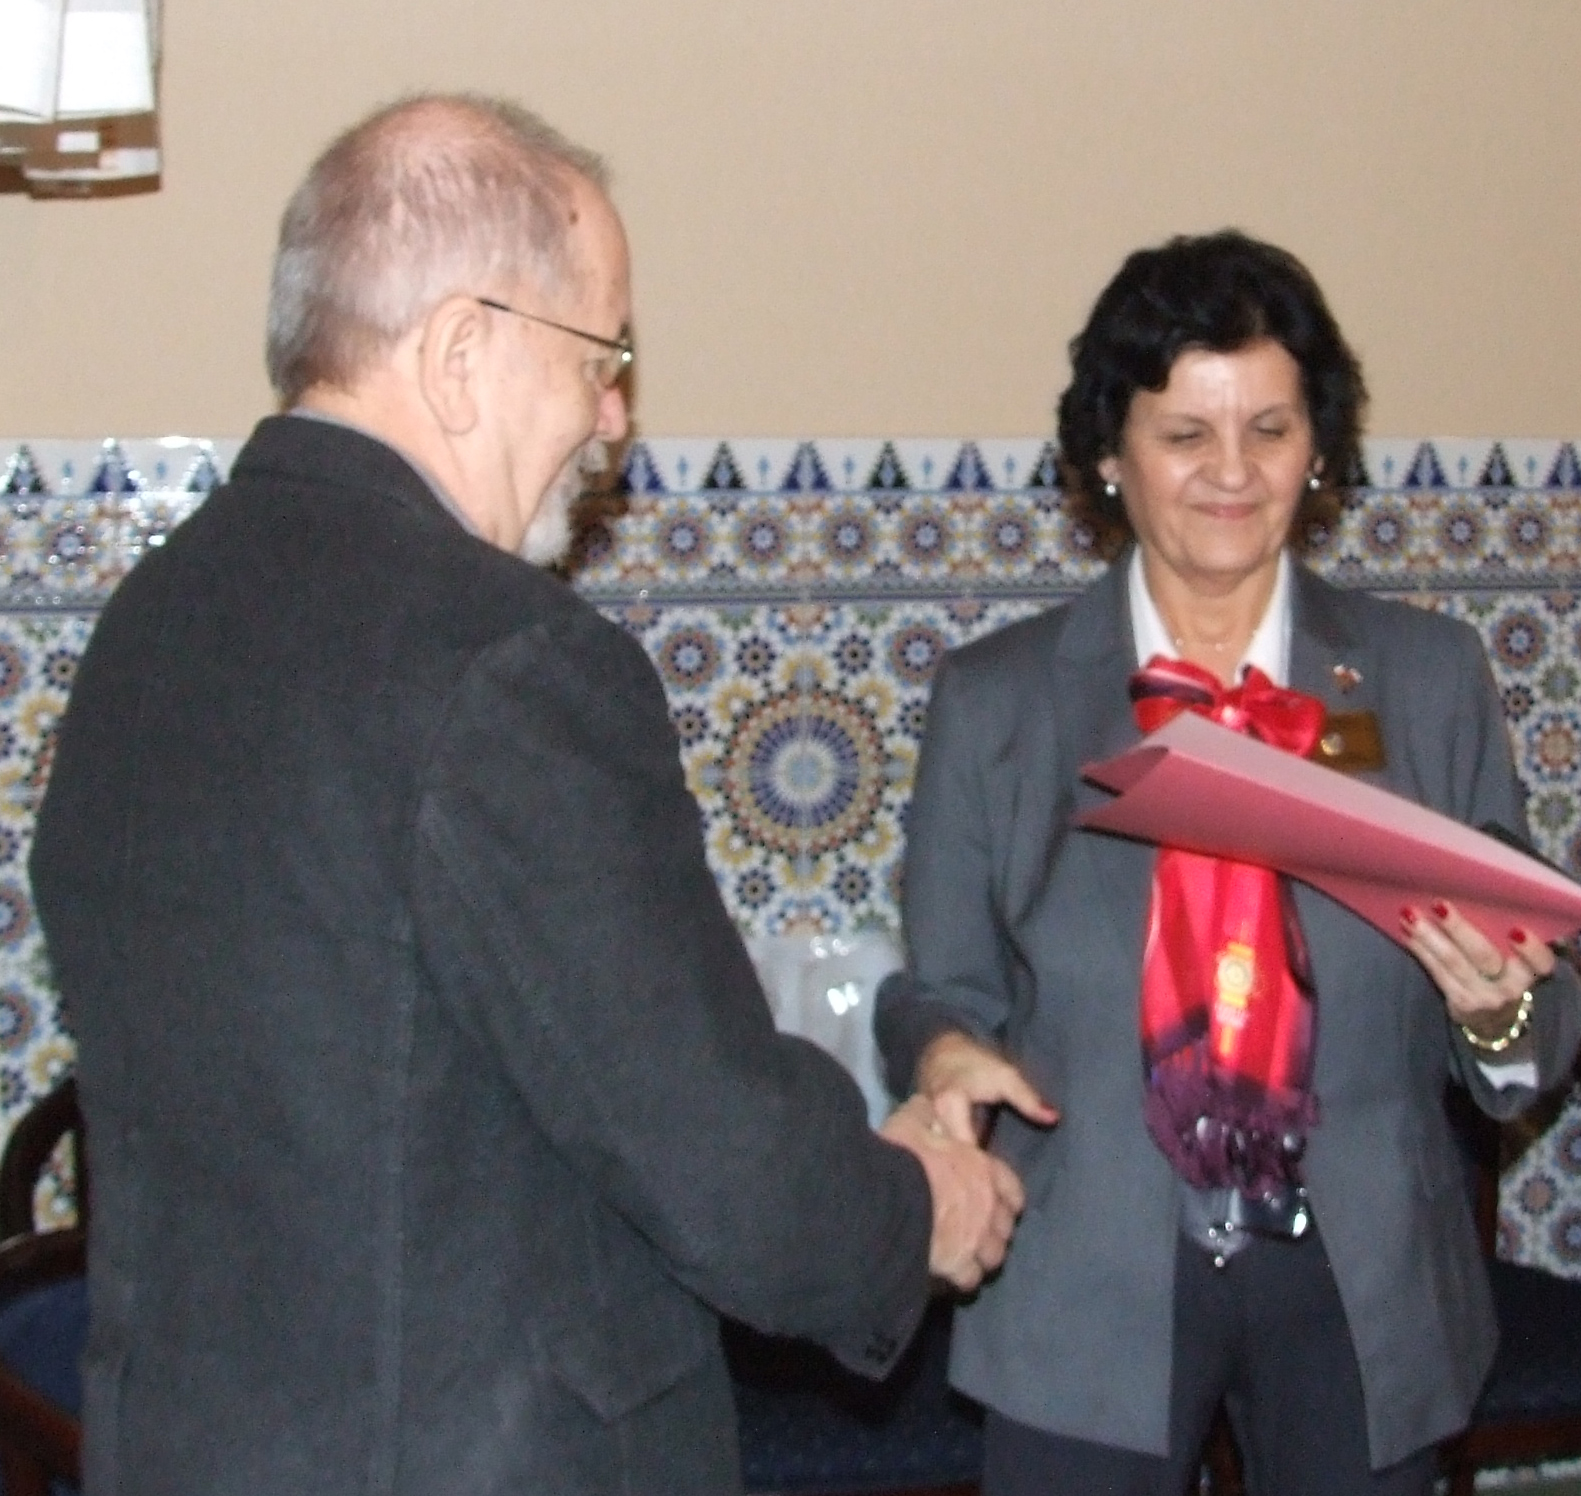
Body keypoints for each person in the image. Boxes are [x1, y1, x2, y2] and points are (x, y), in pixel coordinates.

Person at [28, 94, 1023, 1496]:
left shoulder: (150, 623)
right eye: (602, 358)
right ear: (460, 356)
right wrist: (917, 1202)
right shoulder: (509, 661)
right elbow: (722, 1167)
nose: (615, 417)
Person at [875, 230, 1581, 1496]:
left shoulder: (1425, 679)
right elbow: (938, 988)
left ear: (1318, 447)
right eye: (1183, 433)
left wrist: (1500, 1011)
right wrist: (941, 1055)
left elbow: (1533, 1016)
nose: (1232, 472)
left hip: (1360, 1275)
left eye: (1269, 428)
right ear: (1110, 453)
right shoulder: (998, 702)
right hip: (1087, 1262)